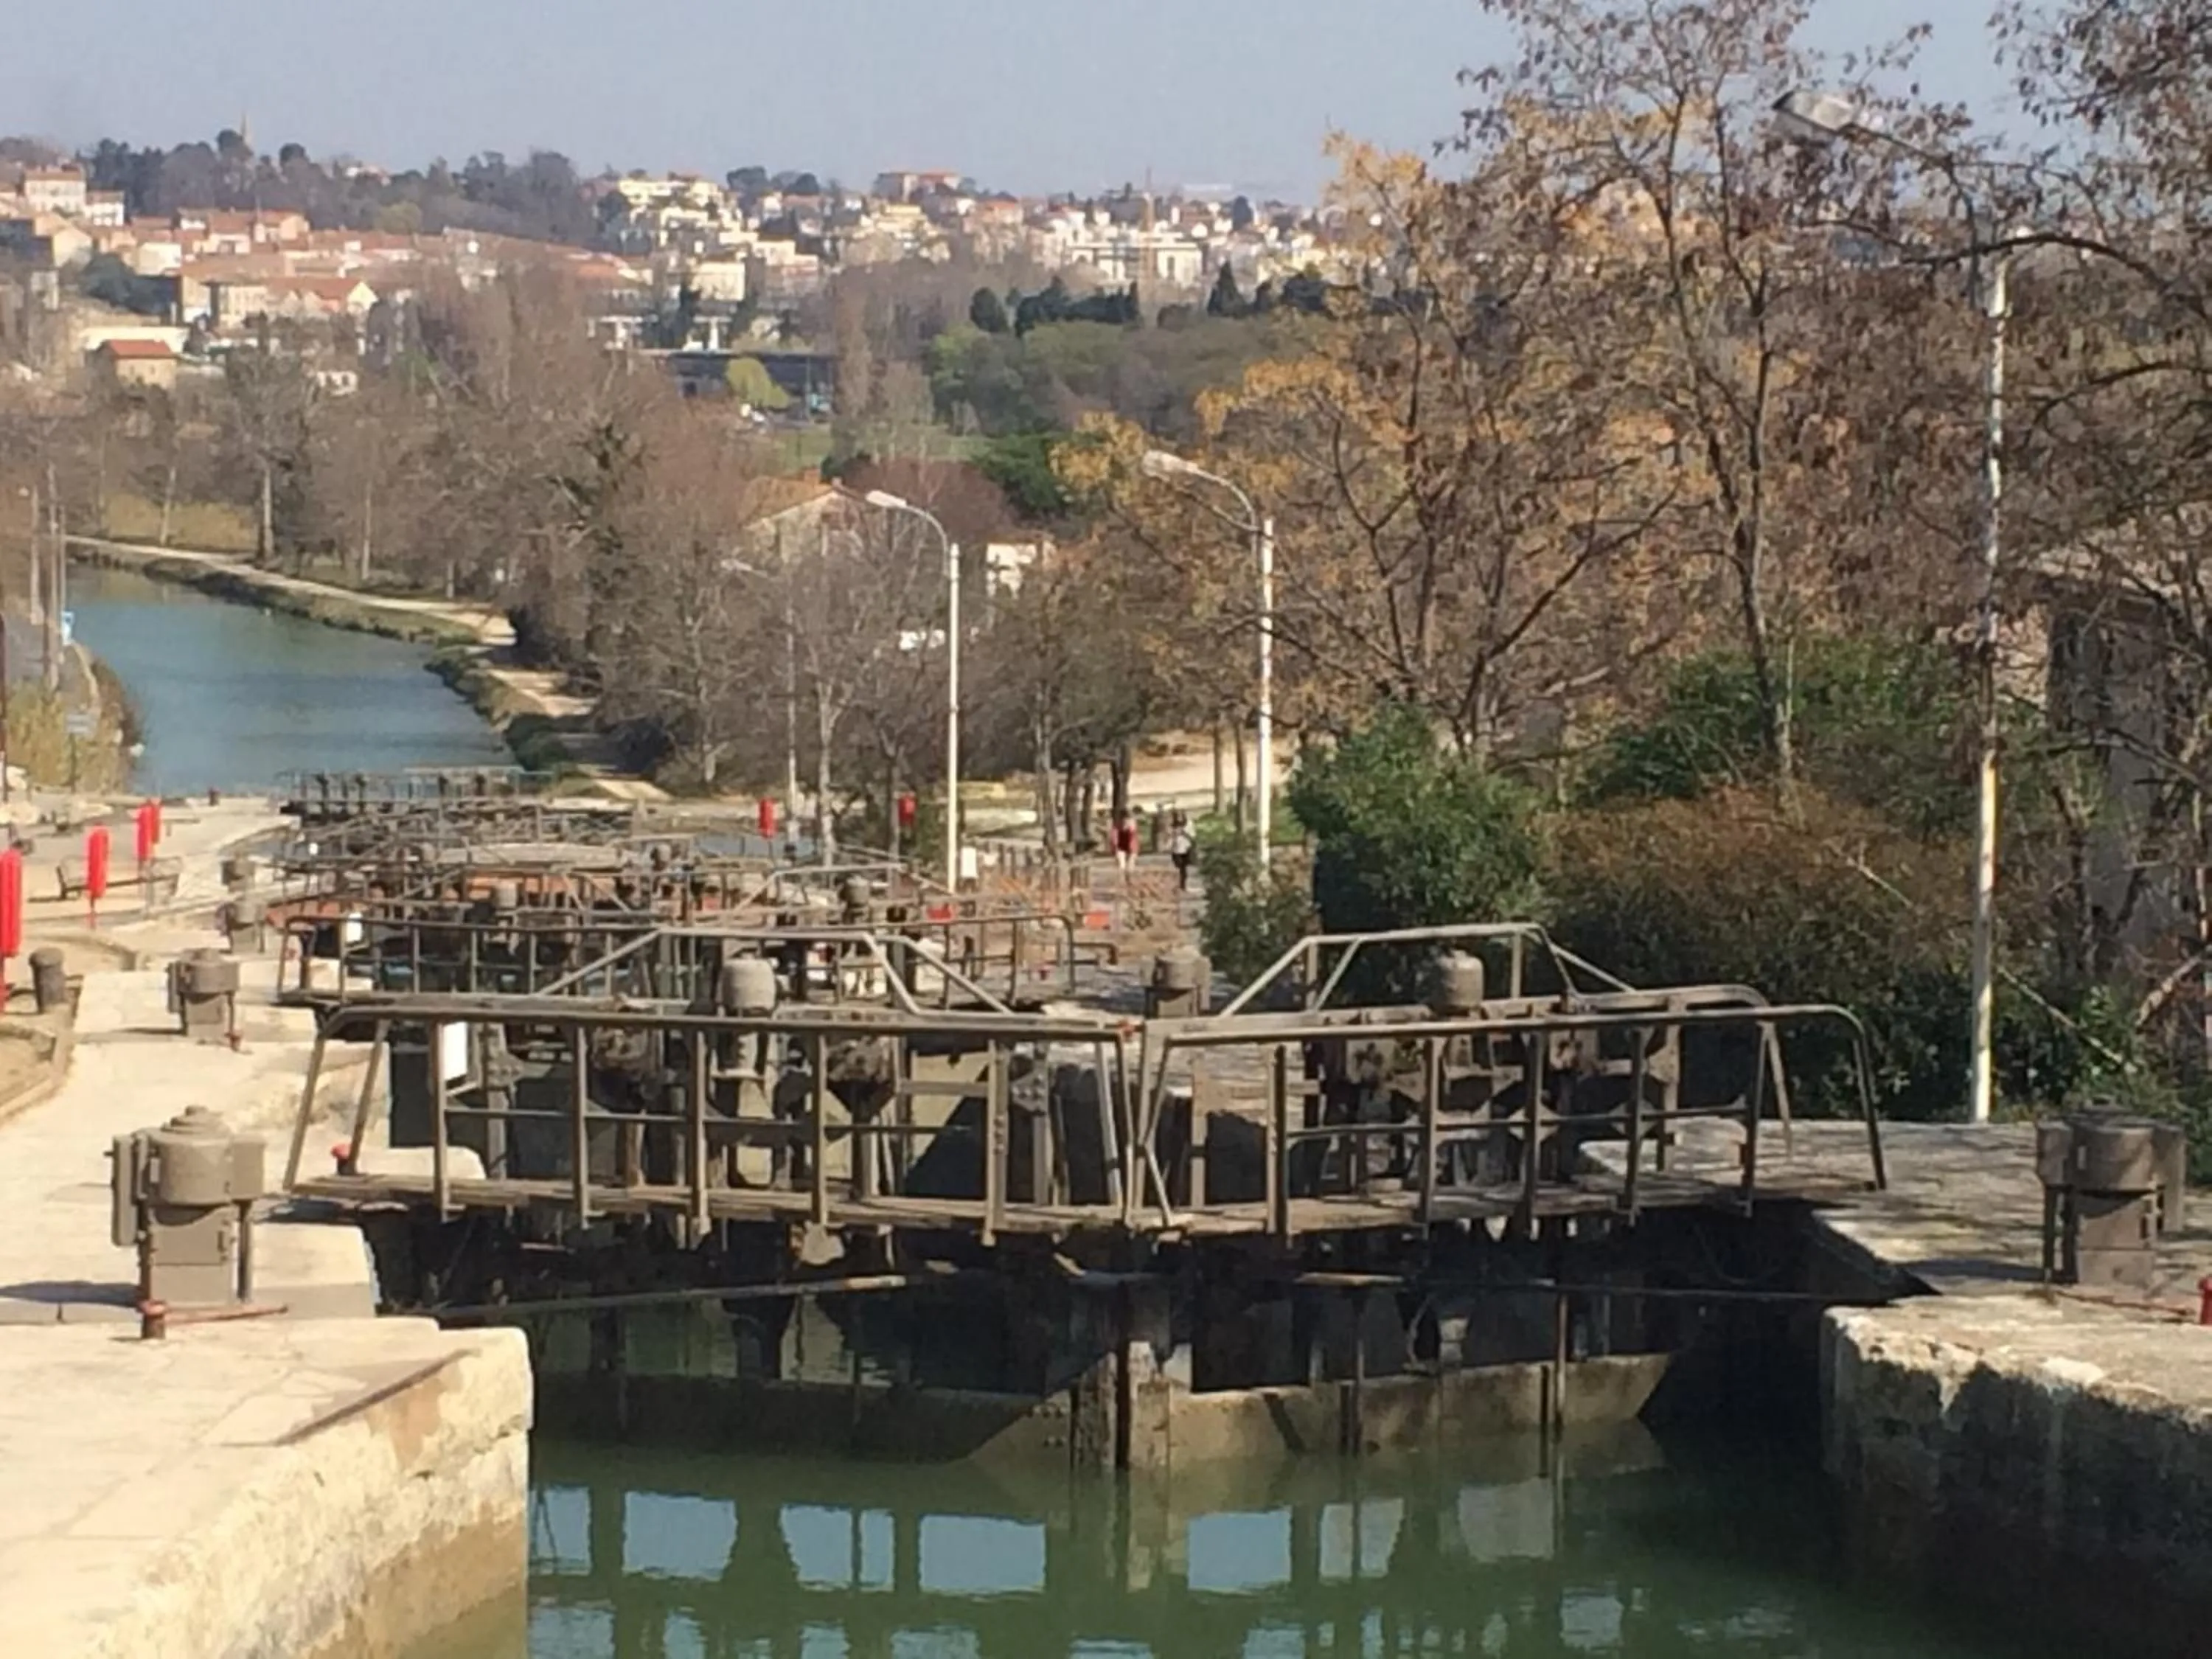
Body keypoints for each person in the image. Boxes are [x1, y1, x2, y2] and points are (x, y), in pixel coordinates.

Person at [1169, 815, 1196, 891]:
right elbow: (1170, 845)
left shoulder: (1185, 836)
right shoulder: (1173, 836)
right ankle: (1179, 885)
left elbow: (1190, 843)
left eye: (1179, 828)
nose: (1178, 830)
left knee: (1183, 871)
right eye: (1177, 828)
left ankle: (1183, 886)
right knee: (1179, 870)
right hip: (1177, 853)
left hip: (1184, 853)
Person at [1111, 810, 1138, 877]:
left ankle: (1128, 878)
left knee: (1129, 866)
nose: (1127, 821)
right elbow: (1114, 838)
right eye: (1125, 819)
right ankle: (1123, 878)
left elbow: (1133, 837)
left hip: (1131, 847)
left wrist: (1130, 827)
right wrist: (1115, 847)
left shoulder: (1132, 825)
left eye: (1128, 819)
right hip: (1121, 847)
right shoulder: (1117, 826)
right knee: (1122, 866)